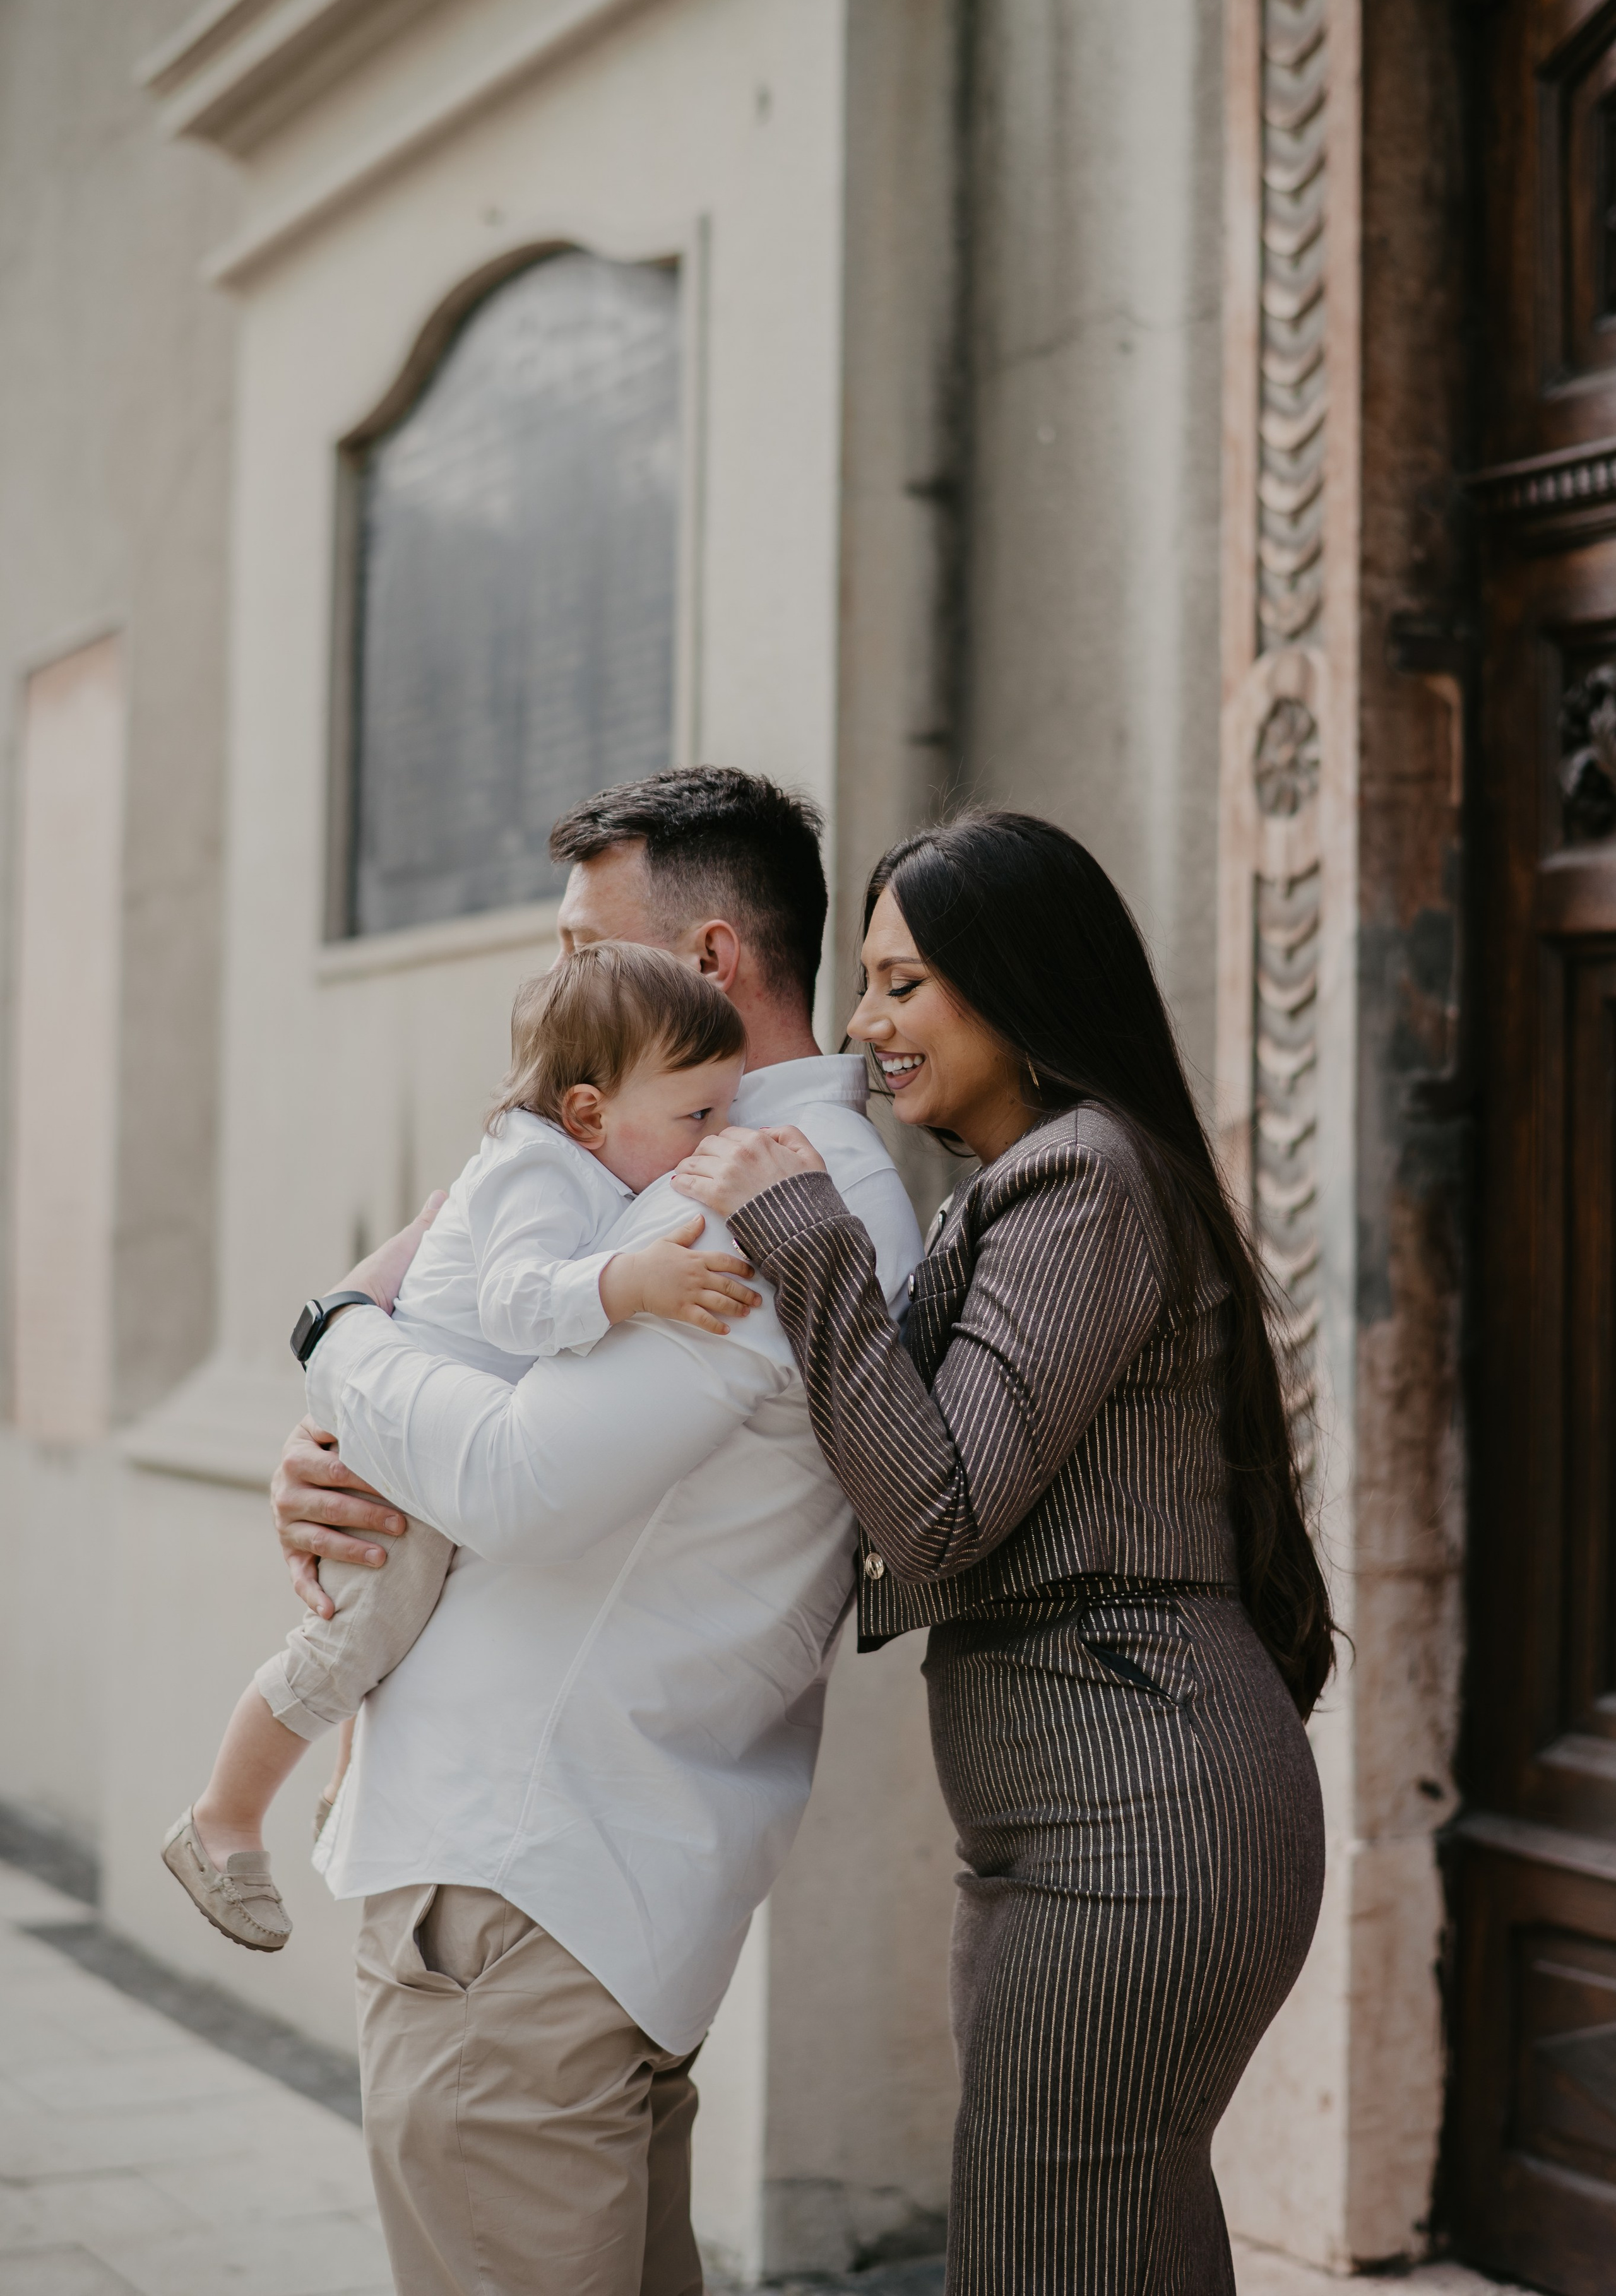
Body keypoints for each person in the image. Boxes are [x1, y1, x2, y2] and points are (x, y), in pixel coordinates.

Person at [268, 768, 924, 2296]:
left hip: (525, 1892)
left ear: (699, 964)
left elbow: (505, 1478)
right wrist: (330, 1427)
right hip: (566, 1884)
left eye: (578, 950)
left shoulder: (751, 1191)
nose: (552, 993)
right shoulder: (637, 1170)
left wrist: (331, 1340)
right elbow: (460, 1341)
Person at [672, 810, 1333, 2296]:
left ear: (1015, 984)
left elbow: (939, 1507)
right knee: (1119, 2240)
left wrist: (797, 1222)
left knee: (1044, 2250)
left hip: (1135, 1821)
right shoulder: (1040, 1183)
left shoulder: (1082, 1175)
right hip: (1092, 1814)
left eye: (901, 983)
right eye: (863, 984)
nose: (861, 1023)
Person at [162, 944, 755, 1956]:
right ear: (586, 1112)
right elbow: (517, 1304)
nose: (719, 1133)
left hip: (420, 1440)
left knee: (405, 1630)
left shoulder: (586, 1162)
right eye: (697, 1116)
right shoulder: (539, 1168)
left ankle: (348, 1792)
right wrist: (635, 1284)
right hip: (399, 1451)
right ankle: (222, 1819)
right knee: (351, 1641)